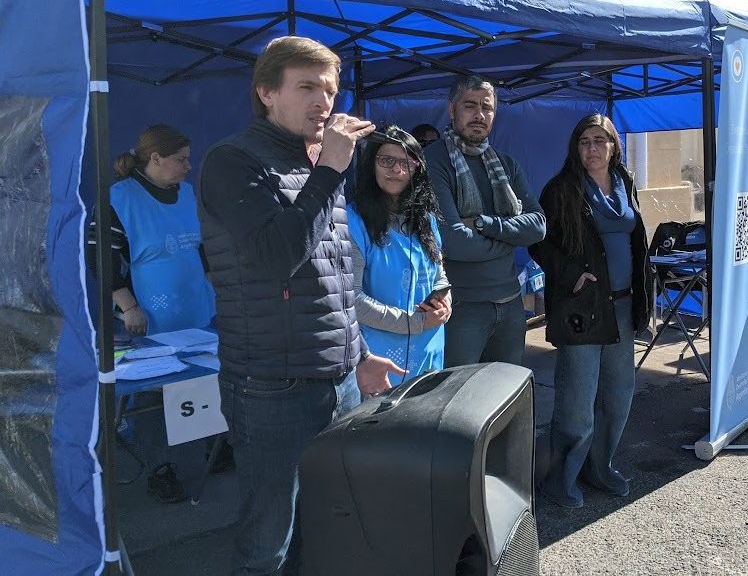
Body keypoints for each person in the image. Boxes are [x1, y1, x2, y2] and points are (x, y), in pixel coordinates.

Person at [197, 36, 401, 574]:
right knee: (268, 541)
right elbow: (274, 259)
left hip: (336, 380)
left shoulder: (316, 166)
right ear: (266, 92)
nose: (324, 102)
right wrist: (330, 171)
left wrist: (358, 355)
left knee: (326, 523)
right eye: (306, 87)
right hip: (270, 387)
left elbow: (332, 281)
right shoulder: (232, 161)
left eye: (330, 90)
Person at [87, 124, 217, 503]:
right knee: (151, 399)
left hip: (197, 310)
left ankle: (213, 446)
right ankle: (161, 469)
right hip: (150, 317)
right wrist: (128, 307)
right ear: (155, 159)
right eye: (180, 159)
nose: (188, 166)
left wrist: (215, 288)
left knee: (203, 382)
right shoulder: (118, 199)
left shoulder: (188, 194)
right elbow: (103, 260)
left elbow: (203, 248)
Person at [528, 113, 651, 509]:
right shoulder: (561, 189)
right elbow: (539, 243)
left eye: (601, 140)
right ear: (575, 148)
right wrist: (571, 274)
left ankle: (601, 467)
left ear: (614, 146)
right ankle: (560, 478)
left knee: (618, 395)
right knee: (577, 401)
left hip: (623, 304)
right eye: (585, 141)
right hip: (582, 309)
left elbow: (634, 239)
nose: (593, 148)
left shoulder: (624, 183)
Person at [426, 75, 546, 367]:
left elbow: (539, 226)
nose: (479, 115)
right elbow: (454, 242)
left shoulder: (505, 164)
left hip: (510, 304)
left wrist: (483, 225)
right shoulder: (433, 160)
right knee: (458, 400)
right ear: (452, 109)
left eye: (487, 107)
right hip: (461, 308)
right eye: (470, 105)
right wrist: (510, 241)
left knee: (504, 399)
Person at [347, 126, 450, 384]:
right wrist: (416, 322)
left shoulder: (425, 220)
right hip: (380, 363)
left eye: (406, 162)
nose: (397, 170)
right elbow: (352, 300)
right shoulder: (353, 222)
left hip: (430, 352)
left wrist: (446, 301)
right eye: (386, 160)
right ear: (371, 165)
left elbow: (439, 274)